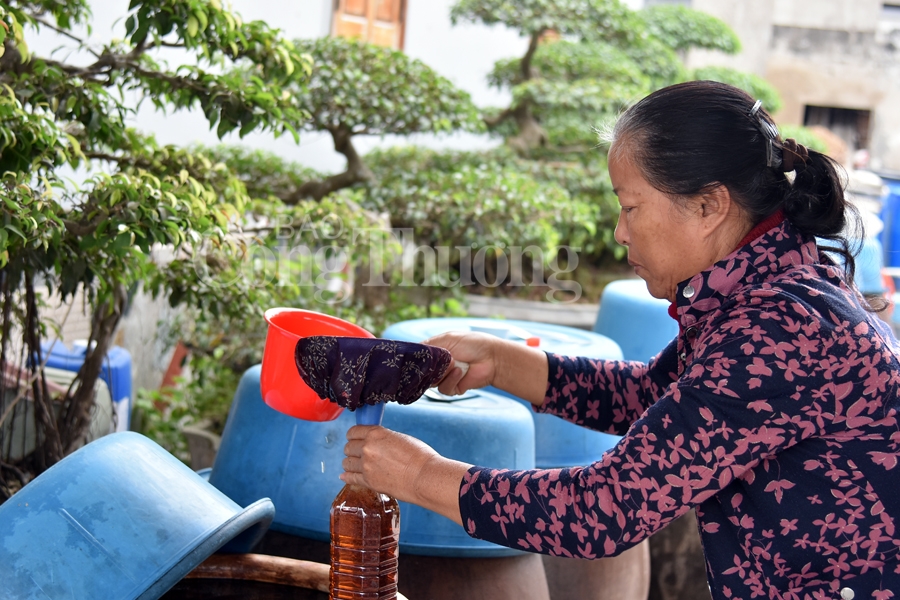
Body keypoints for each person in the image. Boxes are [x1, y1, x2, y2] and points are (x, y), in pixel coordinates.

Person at [340, 81, 900, 599]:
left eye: (631, 207)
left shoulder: (781, 329)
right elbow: (652, 397)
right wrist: (501, 362)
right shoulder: (772, 288)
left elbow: (603, 509)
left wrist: (421, 475)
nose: (619, 232)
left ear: (709, 206)